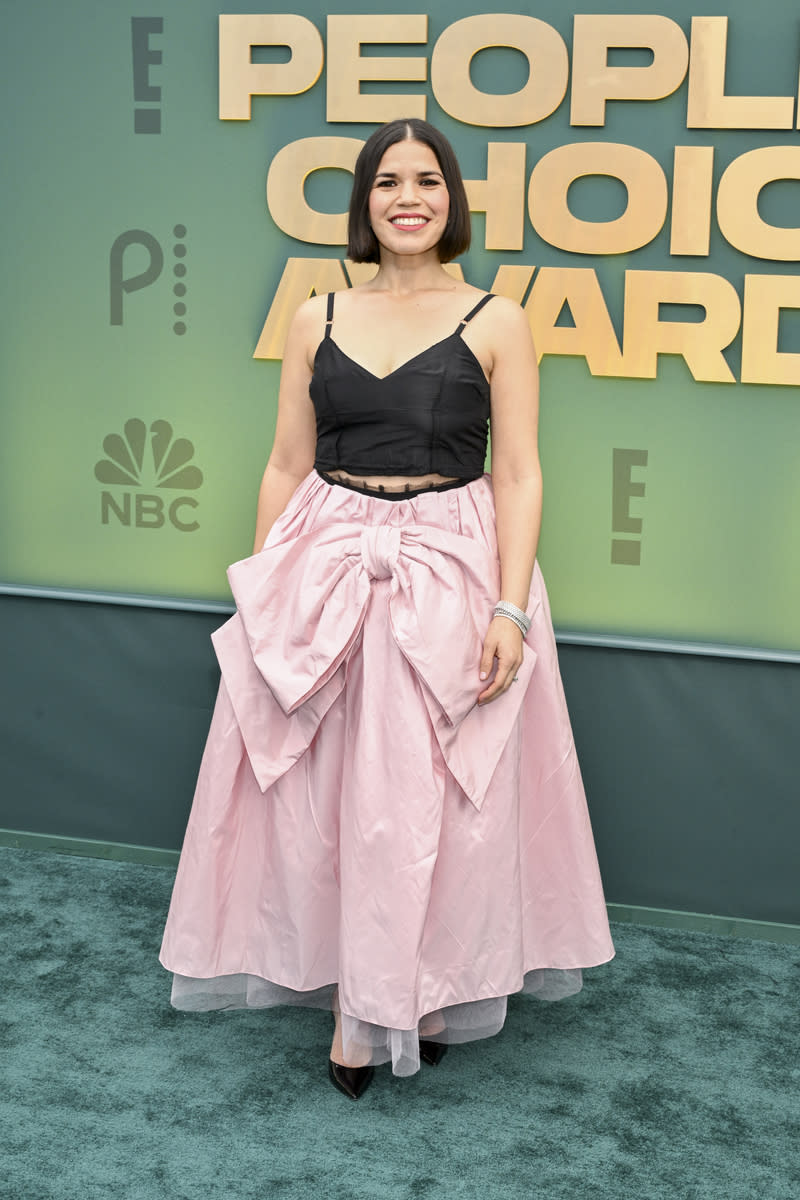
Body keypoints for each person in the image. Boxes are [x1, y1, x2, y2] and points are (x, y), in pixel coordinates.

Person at [159, 117, 614, 1100]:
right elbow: (285, 461)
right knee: (335, 805)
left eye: (427, 180)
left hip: (453, 565)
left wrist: (509, 609)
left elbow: (521, 473)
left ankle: (424, 987)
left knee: (441, 799)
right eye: (386, 181)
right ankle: (357, 1009)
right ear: (362, 202)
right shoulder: (312, 314)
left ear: (451, 200)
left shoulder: (497, 316)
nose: (407, 195)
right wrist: (266, 588)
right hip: (326, 564)